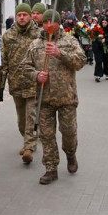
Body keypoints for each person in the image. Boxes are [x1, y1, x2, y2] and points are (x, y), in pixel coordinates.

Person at [19, 10, 85, 185]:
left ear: (58, 23)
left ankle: (70, 154)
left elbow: (80, 61)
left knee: (68, 132)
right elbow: (24, 67)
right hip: (44, 98)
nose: (48, 25)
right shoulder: (35, 45)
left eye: (51, 22)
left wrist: (59, 54)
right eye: (45, 22)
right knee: (47, 135)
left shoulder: (69, 41)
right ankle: (51, 168)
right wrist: (35, 75)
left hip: (66, 98)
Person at [0, 2, 41, 164]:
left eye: (25, 14)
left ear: (30, 16)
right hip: (16, 83)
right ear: (16, 17)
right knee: (21, 119)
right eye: (19, 15)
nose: (22, 17)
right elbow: (4, 62)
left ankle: (29, 147)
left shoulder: (38, 34)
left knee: (31, 115)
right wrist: (0, 85)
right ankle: (28, 140)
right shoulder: (8, 36)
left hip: (33, 82)